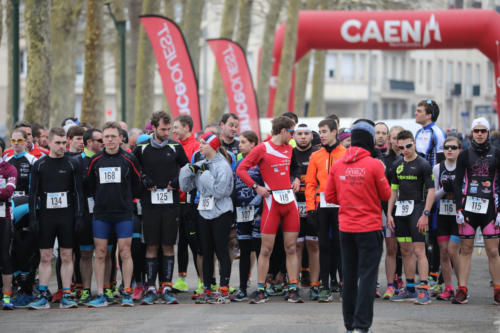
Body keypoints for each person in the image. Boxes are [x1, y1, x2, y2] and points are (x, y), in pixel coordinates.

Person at [325, 120, 391, 333]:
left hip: (346, 228)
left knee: (350, 277)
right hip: (369, 228)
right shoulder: (374, 165)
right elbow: (386, 194)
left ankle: (349, 324)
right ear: (369, 140)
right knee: (368, 277)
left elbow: (330, 196)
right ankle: (362, 326)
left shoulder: (338, 165)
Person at [237, 116, 303, 304]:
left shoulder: (290, 149)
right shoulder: (262, 148)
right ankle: (260, 290)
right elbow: (241, 169)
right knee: (266, 250)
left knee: (291, 247)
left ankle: (292, 288)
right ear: (283, 131)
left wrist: (296, 179)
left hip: (289, 202)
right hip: (271, 203)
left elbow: (295, 168)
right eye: (291, 131)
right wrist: (256, 187)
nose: (293, 135)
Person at [134, 111, 189, 305]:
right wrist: (143, 178)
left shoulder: (175, 147)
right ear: (154, 128)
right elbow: (134, 171)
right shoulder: (141, 148)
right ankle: (150, 287)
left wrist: (178, 180)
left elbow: (188, 168)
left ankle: (166, 286)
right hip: (149, 204)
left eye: (169, 129)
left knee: (168, 245)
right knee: (151, 245)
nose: (167, 133)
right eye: (163, 129)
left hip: (170, 205)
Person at [27, 127, 84, 310]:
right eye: (58, 143)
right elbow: (33, 194)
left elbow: (78, 193)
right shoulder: (40, 165)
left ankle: (66, 294)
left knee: (67, 255)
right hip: (46, 217)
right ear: (49, 142)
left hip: (67, 216)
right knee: (45, 256)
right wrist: (33, 218)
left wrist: (79, 216)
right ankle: (43, 294)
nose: (61, 146)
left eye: (63, 143)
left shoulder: (72, 163)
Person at [86, 122, 141, 308]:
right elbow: (90, 186)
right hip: (101, 214)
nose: (109, 140)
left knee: (125, 252)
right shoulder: (95, 160)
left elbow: (136, 184)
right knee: (100, 253)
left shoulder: (129, 159)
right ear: (103, 139)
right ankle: (101, 293)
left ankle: (126, 292)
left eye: (113, 136)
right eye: (106, 137)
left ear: (120, 138)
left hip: (123, 214)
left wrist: (127, 201)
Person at [179, 132, 234, 304]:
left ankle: (224, 289)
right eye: (200, 143)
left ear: (213, 146)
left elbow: (220, 191)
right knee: (206, 251)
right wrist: (188, 170)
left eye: (204, 143)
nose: (200, 146)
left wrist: (204, 175)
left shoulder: (222, 166)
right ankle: (208, 287)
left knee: (221, 250)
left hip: (221, 212)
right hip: (203, 211)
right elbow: (185, 186)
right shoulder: (201, 163)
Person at [453, 117, 500, 305]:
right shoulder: (464, 155)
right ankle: (462, 289)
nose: (479, 134)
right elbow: (457, 183)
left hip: (491, 207)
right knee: (466, 249)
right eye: (476, 131)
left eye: (483, 131)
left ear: (488, 132)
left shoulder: (497, 153)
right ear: (472, 132)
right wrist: (458, 208)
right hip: (468, 208)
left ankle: (498, 289)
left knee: (493, 251)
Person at [388, 130, 435, 305]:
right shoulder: (397, 164)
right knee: (405, 251)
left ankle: (424, 290)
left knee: (419, 251)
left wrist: (426, 214)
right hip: (401, 211)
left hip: (418, 208)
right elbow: (393, 190)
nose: (405, 150)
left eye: (408, 146)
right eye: (401, 147)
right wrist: (389, 214)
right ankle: (409, 288)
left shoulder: (423, 164)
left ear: (414, 143)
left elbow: (431, 190)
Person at [305, 118, 346, 302]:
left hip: (341, 206)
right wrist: (311, 209)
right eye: (319, 132)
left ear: (334, 132)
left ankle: (345, 284)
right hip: (322, 206)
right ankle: (325, 285)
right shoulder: (316, 156)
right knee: (324, 246)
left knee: (342, 246)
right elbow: (310, 184)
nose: (321, 135)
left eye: (324, 131)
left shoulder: (345, 154)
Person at [414, 99, 447, 288]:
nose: (416, 113)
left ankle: (437, 276)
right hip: (419, 190)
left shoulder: (437, 133)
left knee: (435, 234)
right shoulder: (419, 132)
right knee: (421, 234)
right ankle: (426, 273)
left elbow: (443, 163)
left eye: (419, 111)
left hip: (434, 189)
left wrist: (439, 190)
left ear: (429, 115)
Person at [172, 115, 202, 293]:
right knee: (181, 242)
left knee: (195, 242)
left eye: (176, 127)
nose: (173, 131)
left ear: (186, 127)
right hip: (177, 201)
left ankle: (201, 280)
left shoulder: (197, 147)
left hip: (192, 202)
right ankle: (181, 279)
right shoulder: (174, 147)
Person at [291, 124, 320, 300]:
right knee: (296, 246)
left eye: (306, 134)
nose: (303, 137)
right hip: (293, 205)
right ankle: (293, 284)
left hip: (312, 206)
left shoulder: (317, 154)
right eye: (299, 134)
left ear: (311, 136)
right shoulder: (289, 153)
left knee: (314, 245)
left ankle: (315, 284)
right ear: (294, 136)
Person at [232, 130, 262, 302]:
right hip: (242, 212)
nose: (239, 144)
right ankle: (243, 287)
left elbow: (266, 186)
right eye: (239, 142)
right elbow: (235, 186)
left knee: (259, 250)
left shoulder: (260, 162)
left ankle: (261, 286)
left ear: (253, 144)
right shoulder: (238, 163)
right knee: (244, 251)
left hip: (258, 212)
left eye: (243, 142)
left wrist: (256, 204)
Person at [76, 128, 104, 305]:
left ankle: (108, 287)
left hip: (103, 212)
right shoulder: (77, 161)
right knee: (86, 253)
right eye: (99, 140)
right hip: (85, 212)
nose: (103, 142)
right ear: (89, 143)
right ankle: (85, 289)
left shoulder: (104, 159)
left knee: (105, 252)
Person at [432, 136, 462, 301]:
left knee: (453, 251)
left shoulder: (463, 168)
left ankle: (461, 287)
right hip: (442, 214)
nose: (449, 150)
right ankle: (448, 288)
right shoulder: (438, 168)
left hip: (458, 215)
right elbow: (434, 196)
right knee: (443, 252)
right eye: (446, 147)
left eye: (453, 147)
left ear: (459, 150)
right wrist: (444, 190)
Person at [381, 125, 404, 299]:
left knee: (406, 249)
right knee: (391, 248)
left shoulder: (412, 159)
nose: (397, 142)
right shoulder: (384, 159)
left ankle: (401, 279)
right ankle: (390, 284)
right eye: (394, 138)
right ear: (389, 140)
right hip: (387, 209)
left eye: (400, 138)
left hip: (407, 209)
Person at [0, 142, 18, 310]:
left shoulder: (9, 169)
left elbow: (7, 193)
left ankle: (7, 297)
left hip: (4, 218)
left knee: (5, 257)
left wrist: (3, 192)